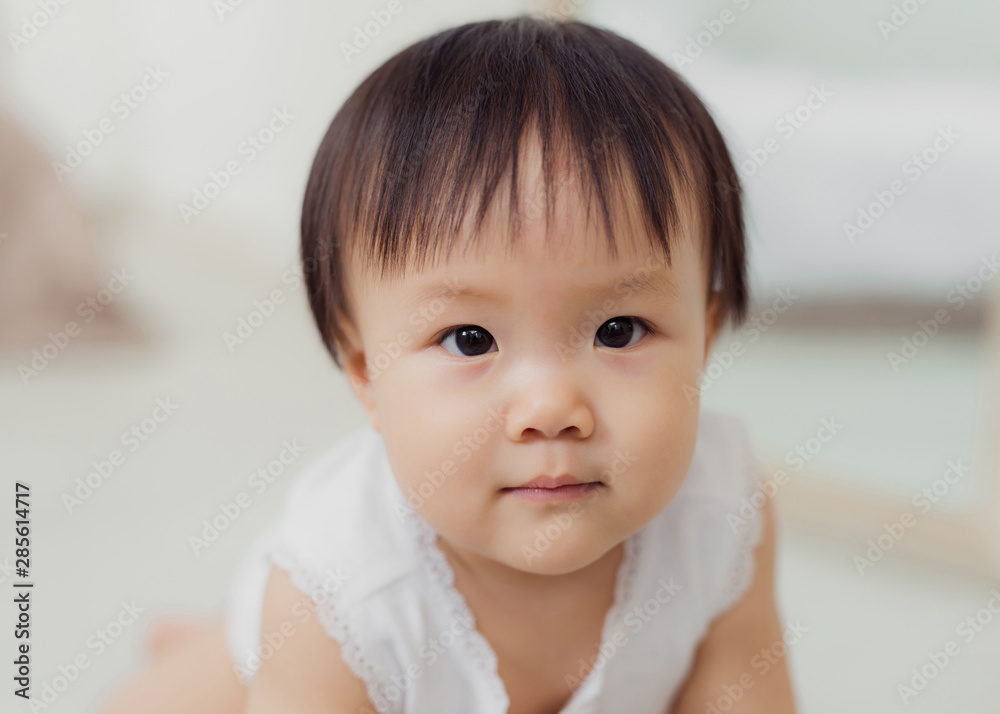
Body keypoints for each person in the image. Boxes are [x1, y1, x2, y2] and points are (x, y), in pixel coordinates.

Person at [96, 14, 796, 714]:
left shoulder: (724, 514)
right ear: (367, 371)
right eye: (470, 339)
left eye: (618, 330)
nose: (550, 408)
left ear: (703, 338)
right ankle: (204, 643)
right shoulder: (337, 596)